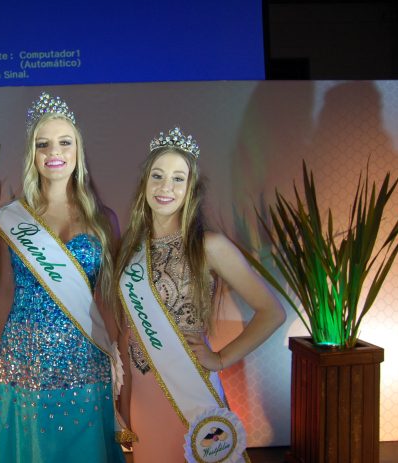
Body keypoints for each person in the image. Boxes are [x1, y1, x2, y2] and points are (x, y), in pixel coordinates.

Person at [115, 127, 286, 462]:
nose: (166, 187)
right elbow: (127, 328)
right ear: (145, 182)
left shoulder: (209, 246)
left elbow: (272, 312)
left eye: (178, 178)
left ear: (192, 188)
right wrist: (123, 400)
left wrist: (221, 359)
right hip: (143, 398)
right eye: (158, 175)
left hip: (190, 388)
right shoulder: (130, 249)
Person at [0, 92, 127, 463]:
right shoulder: (12, 218)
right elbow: (6, 291)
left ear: (78, 151)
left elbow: (108, 298)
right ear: (32, 155)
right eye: (43, 144)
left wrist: (116, 356)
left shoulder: (103, 220)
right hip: (23, 361)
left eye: (65, 142)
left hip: (87, 359)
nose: (54, 152)